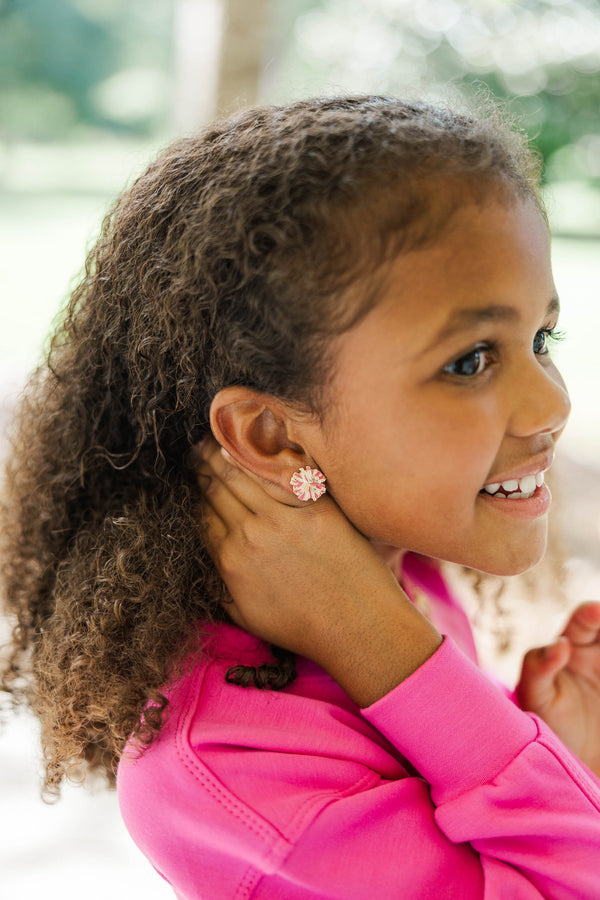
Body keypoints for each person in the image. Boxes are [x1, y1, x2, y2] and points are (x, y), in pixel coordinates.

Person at [2, 96, 600, 898]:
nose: (553, 406)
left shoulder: (388, 568)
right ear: (274, 438)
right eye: (469, 361)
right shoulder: (241, 775)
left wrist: (554, 749)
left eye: (541, 340)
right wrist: (379, 645)